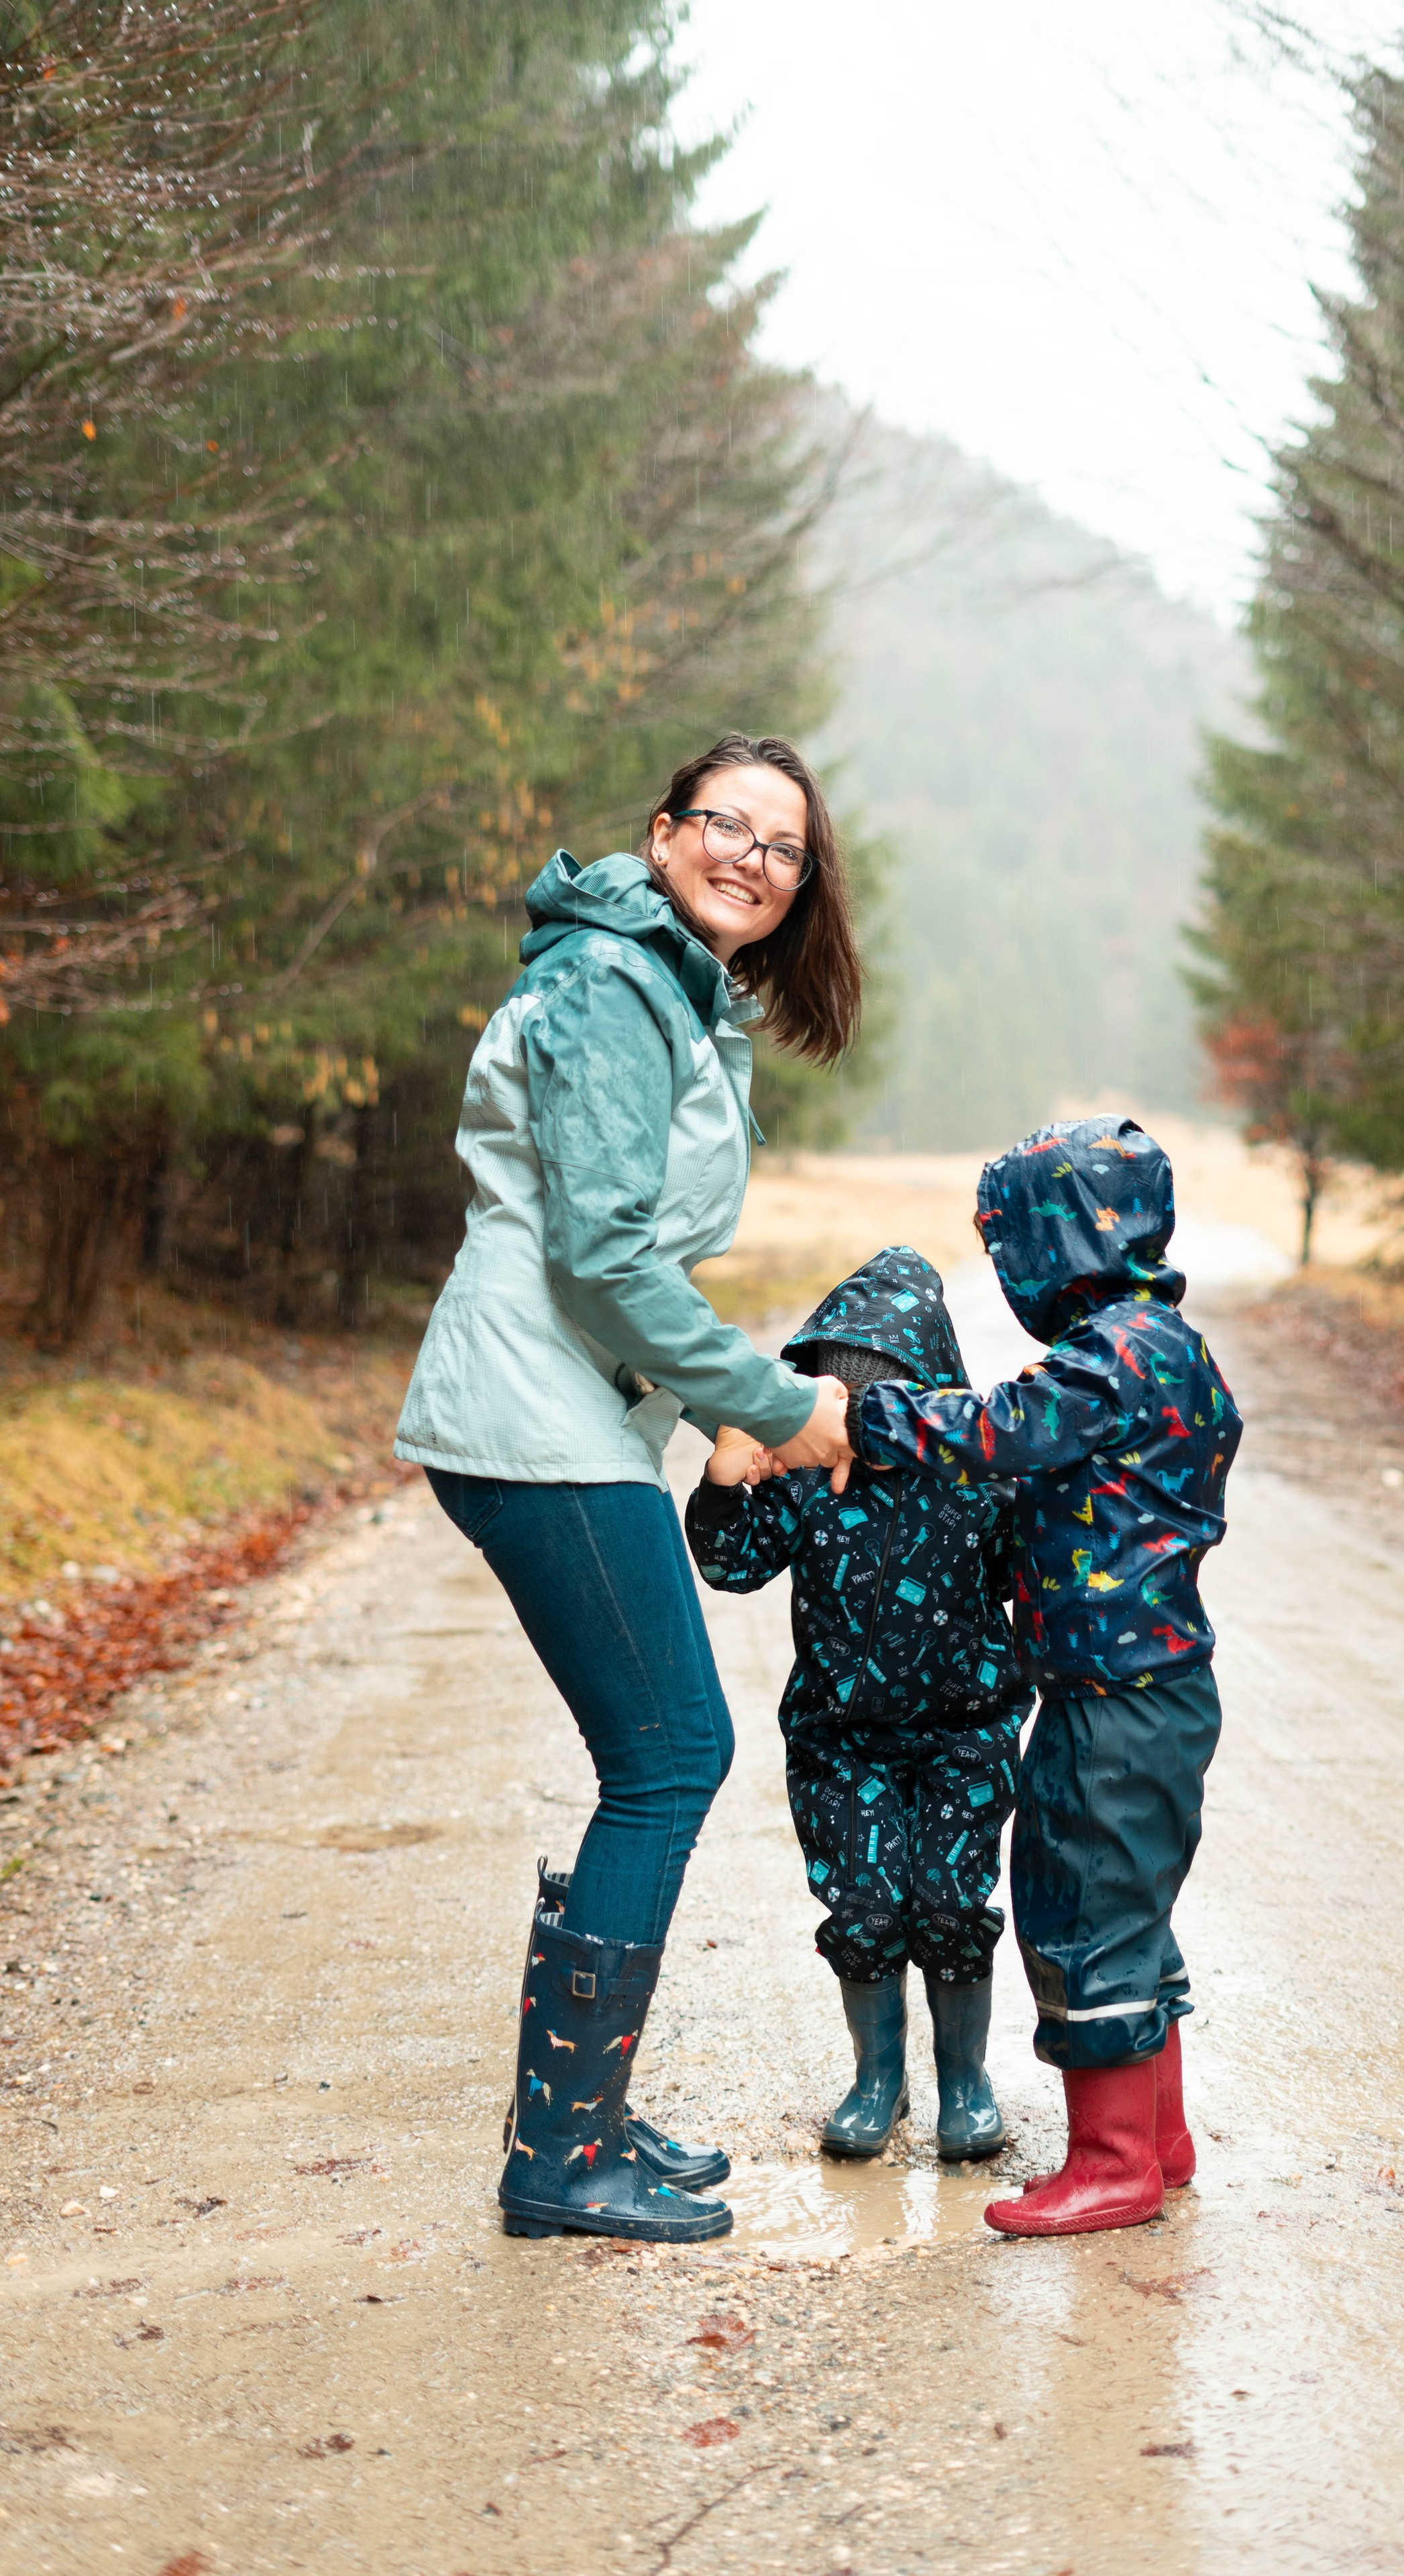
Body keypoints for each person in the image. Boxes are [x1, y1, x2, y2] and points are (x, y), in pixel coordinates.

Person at [394, 734, 861, 2243]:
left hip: (562, 1413)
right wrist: (773, 1403)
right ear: (661, 833)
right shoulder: (611, 985)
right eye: (725, 824)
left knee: (655, 1754)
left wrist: (713, 1404)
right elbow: (598, 1257)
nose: (753, 858)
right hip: (531, 1418)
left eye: (783, 847)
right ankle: (560, 2161)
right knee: (668, 1754)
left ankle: (579, 2121)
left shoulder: (662, 983)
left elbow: (621, 1247)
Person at [841, 1118, 1242, 2237]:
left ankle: (1112, 2165)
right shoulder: (1171, 1348)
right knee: (1136, 1906)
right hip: (1158, 1688)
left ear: (1058, 1244)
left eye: (1011, 1244)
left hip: (1110, 1699)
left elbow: (1001, 1430)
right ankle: (1158, 2140)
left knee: (1080, 1903)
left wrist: (862, 1416)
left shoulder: (1112, 1357)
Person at [683, 1248, 1030, 2161]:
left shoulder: (978, 1481)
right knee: (865, 1915)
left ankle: (966, 2082)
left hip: (967, 1732)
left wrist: (1044, 1465)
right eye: (843, 1407)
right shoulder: (800, 1485)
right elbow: (731, 1565)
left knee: (952, 1908)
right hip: (843, 1742)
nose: (863, 1432)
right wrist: (729, 1471)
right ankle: (879, 2080)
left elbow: (1028, 1580)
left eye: (886, 1408)